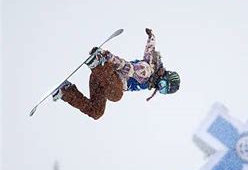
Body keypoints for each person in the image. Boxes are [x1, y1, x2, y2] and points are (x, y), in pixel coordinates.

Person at [52, 28, 180, 120]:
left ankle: (65, 91)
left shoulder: (151, 71)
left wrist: (151, 37)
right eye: (163, 85)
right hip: (107, 74)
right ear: (164, 77)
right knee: (116, 96)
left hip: (104, 81)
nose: (159, 88)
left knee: (96, 112)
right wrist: (106, 56)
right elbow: (125, 66)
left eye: (163, 91)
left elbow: (149, 51)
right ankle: (98, 63)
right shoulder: (146, 72)